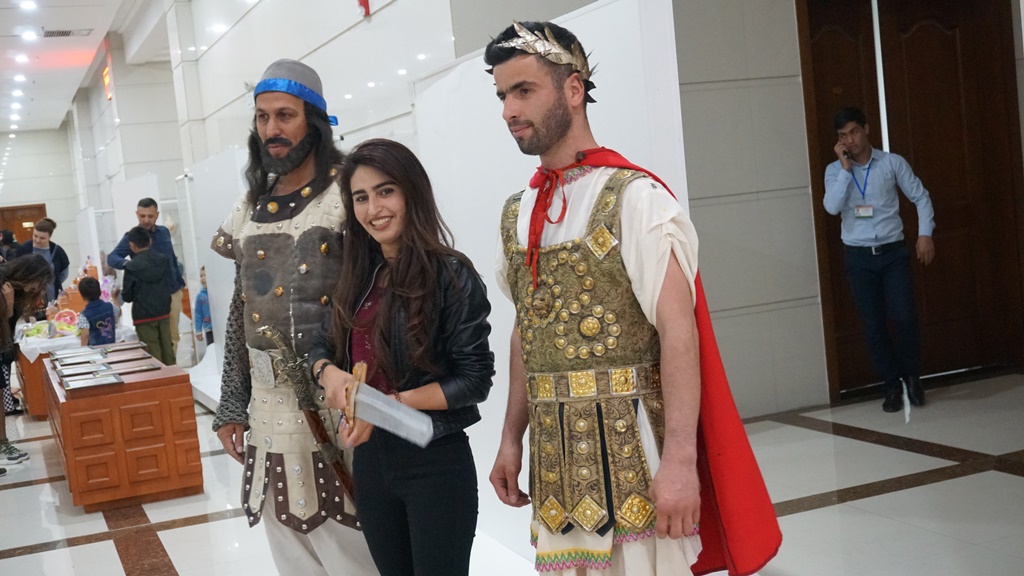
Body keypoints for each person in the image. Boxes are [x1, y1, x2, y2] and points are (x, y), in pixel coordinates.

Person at [484, 21, 781, 575]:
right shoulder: (517, 213)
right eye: (502, 95)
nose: (509, 110)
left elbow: (678, 331)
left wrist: (681, 462)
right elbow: (527, 330)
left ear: (573, 89)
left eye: (524, 90)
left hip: (633, 453)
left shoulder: (635, 198)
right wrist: (509, 438)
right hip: (554, 464)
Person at [210, 59, 376, 576]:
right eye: (262, 118)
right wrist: (232, 404)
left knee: (354, 553)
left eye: (285, 116)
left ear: (315, 122)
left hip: (339, 401)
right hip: (266, 410)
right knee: (291, 554)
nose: (271, 129)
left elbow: (377, 300)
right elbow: (240, 312)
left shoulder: (349, 197)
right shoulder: (249, 208)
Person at [308, 139, 494, 576]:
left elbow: (474, 380)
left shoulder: (451, 274)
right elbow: (320, 345)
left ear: (412, 192)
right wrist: (326, 372)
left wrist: (387, 406)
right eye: (361, 197)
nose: (374, 209)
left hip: (434, 463)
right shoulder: (357, 275)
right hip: (371, 463)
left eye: (386, 191)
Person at [825, 106, 935, 412]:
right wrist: (845, 170)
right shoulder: (835, 171)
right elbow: (831, 207)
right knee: (874, 325)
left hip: (892, 253)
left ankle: (911, 377)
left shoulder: (891, 163)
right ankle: (891, 386)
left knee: (904, 317)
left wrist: (925, 234)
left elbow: (920, 196)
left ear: (867, 129)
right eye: (843, 136)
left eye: (854, 132)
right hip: (858, 257)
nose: (850, 140)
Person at [108, 198, 186, 360]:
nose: (146, 220)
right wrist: (129, 265)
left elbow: (172, 258)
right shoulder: (132, 236)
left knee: (172, 337)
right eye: (142, 216)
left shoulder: (164, 232)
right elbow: (112, 257)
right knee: (152, 343)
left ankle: (172, 371)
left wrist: (179, 283)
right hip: (148, 298)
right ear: (137, 214)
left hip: (172, 291)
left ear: (157, 215)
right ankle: (162, 371)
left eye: (150, 216)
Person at [0, 254, 54, 473]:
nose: (37, 288)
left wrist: (10, 308)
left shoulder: (16, 291)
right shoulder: (4, 283)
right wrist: (8, 307)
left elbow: (8, 323)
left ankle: (3, 445)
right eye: (37, 282)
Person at [121, 227, 174, 365]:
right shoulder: (163, 260)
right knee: (168, 350)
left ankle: (159, 378)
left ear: (131, 245)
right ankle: (174, 376)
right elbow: (170, 283)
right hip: (164, 311)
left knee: (153, 354)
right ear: (150, 241)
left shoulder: (131, 267)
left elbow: (127, 297)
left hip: (143, 316)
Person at [15, 218, 69, 304]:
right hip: (29, 297)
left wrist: (52, 283)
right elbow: (16, 270)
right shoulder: (24, 249)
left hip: (53, 297)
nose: (37, 240)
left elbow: (64, 273)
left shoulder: (57, 251)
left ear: (49, 237)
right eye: (35, 236)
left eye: (42, 238)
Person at [76, 276, 120, 346]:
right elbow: (119, 312)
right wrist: (115, 298)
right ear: (100, 292)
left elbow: (85, 335)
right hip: (111, 346)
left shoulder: (84, 315)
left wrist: (83, 349)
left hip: (95, 350)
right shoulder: (110, 306)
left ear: (83, 297)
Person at [193, 266, 213, 345]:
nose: (203, 278)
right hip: (208, 328)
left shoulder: (215, 293)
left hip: (219, 327)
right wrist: (198, 330)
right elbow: (198, 314)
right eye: (201, 276)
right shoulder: (200, 296)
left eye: (205, 275)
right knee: (211, 347)